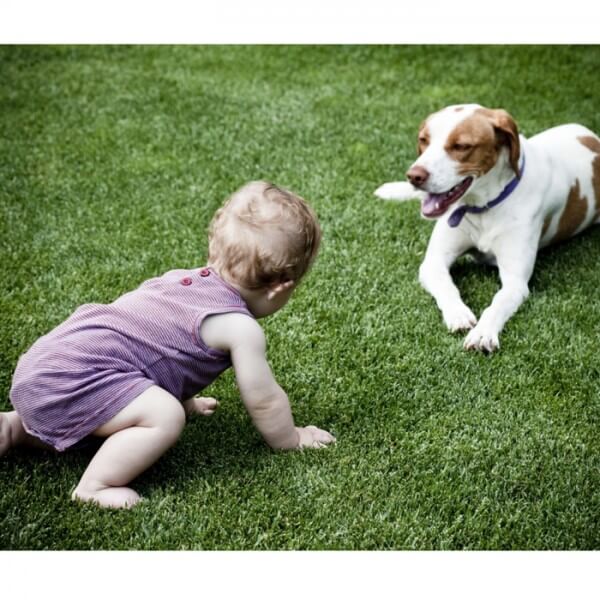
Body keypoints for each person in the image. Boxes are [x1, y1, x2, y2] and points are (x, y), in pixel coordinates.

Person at [0, 181, 335, 509]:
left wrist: (187, 399)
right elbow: (264, 401)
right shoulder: (240, 328)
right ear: (280, 289)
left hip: (46, 365)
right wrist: (292, 438)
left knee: (135, 385)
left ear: (213, 247)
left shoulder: (180, 280)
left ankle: (14, 427)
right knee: (164, 415)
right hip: (73, 381)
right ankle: (95, 486)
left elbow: (159, 348)